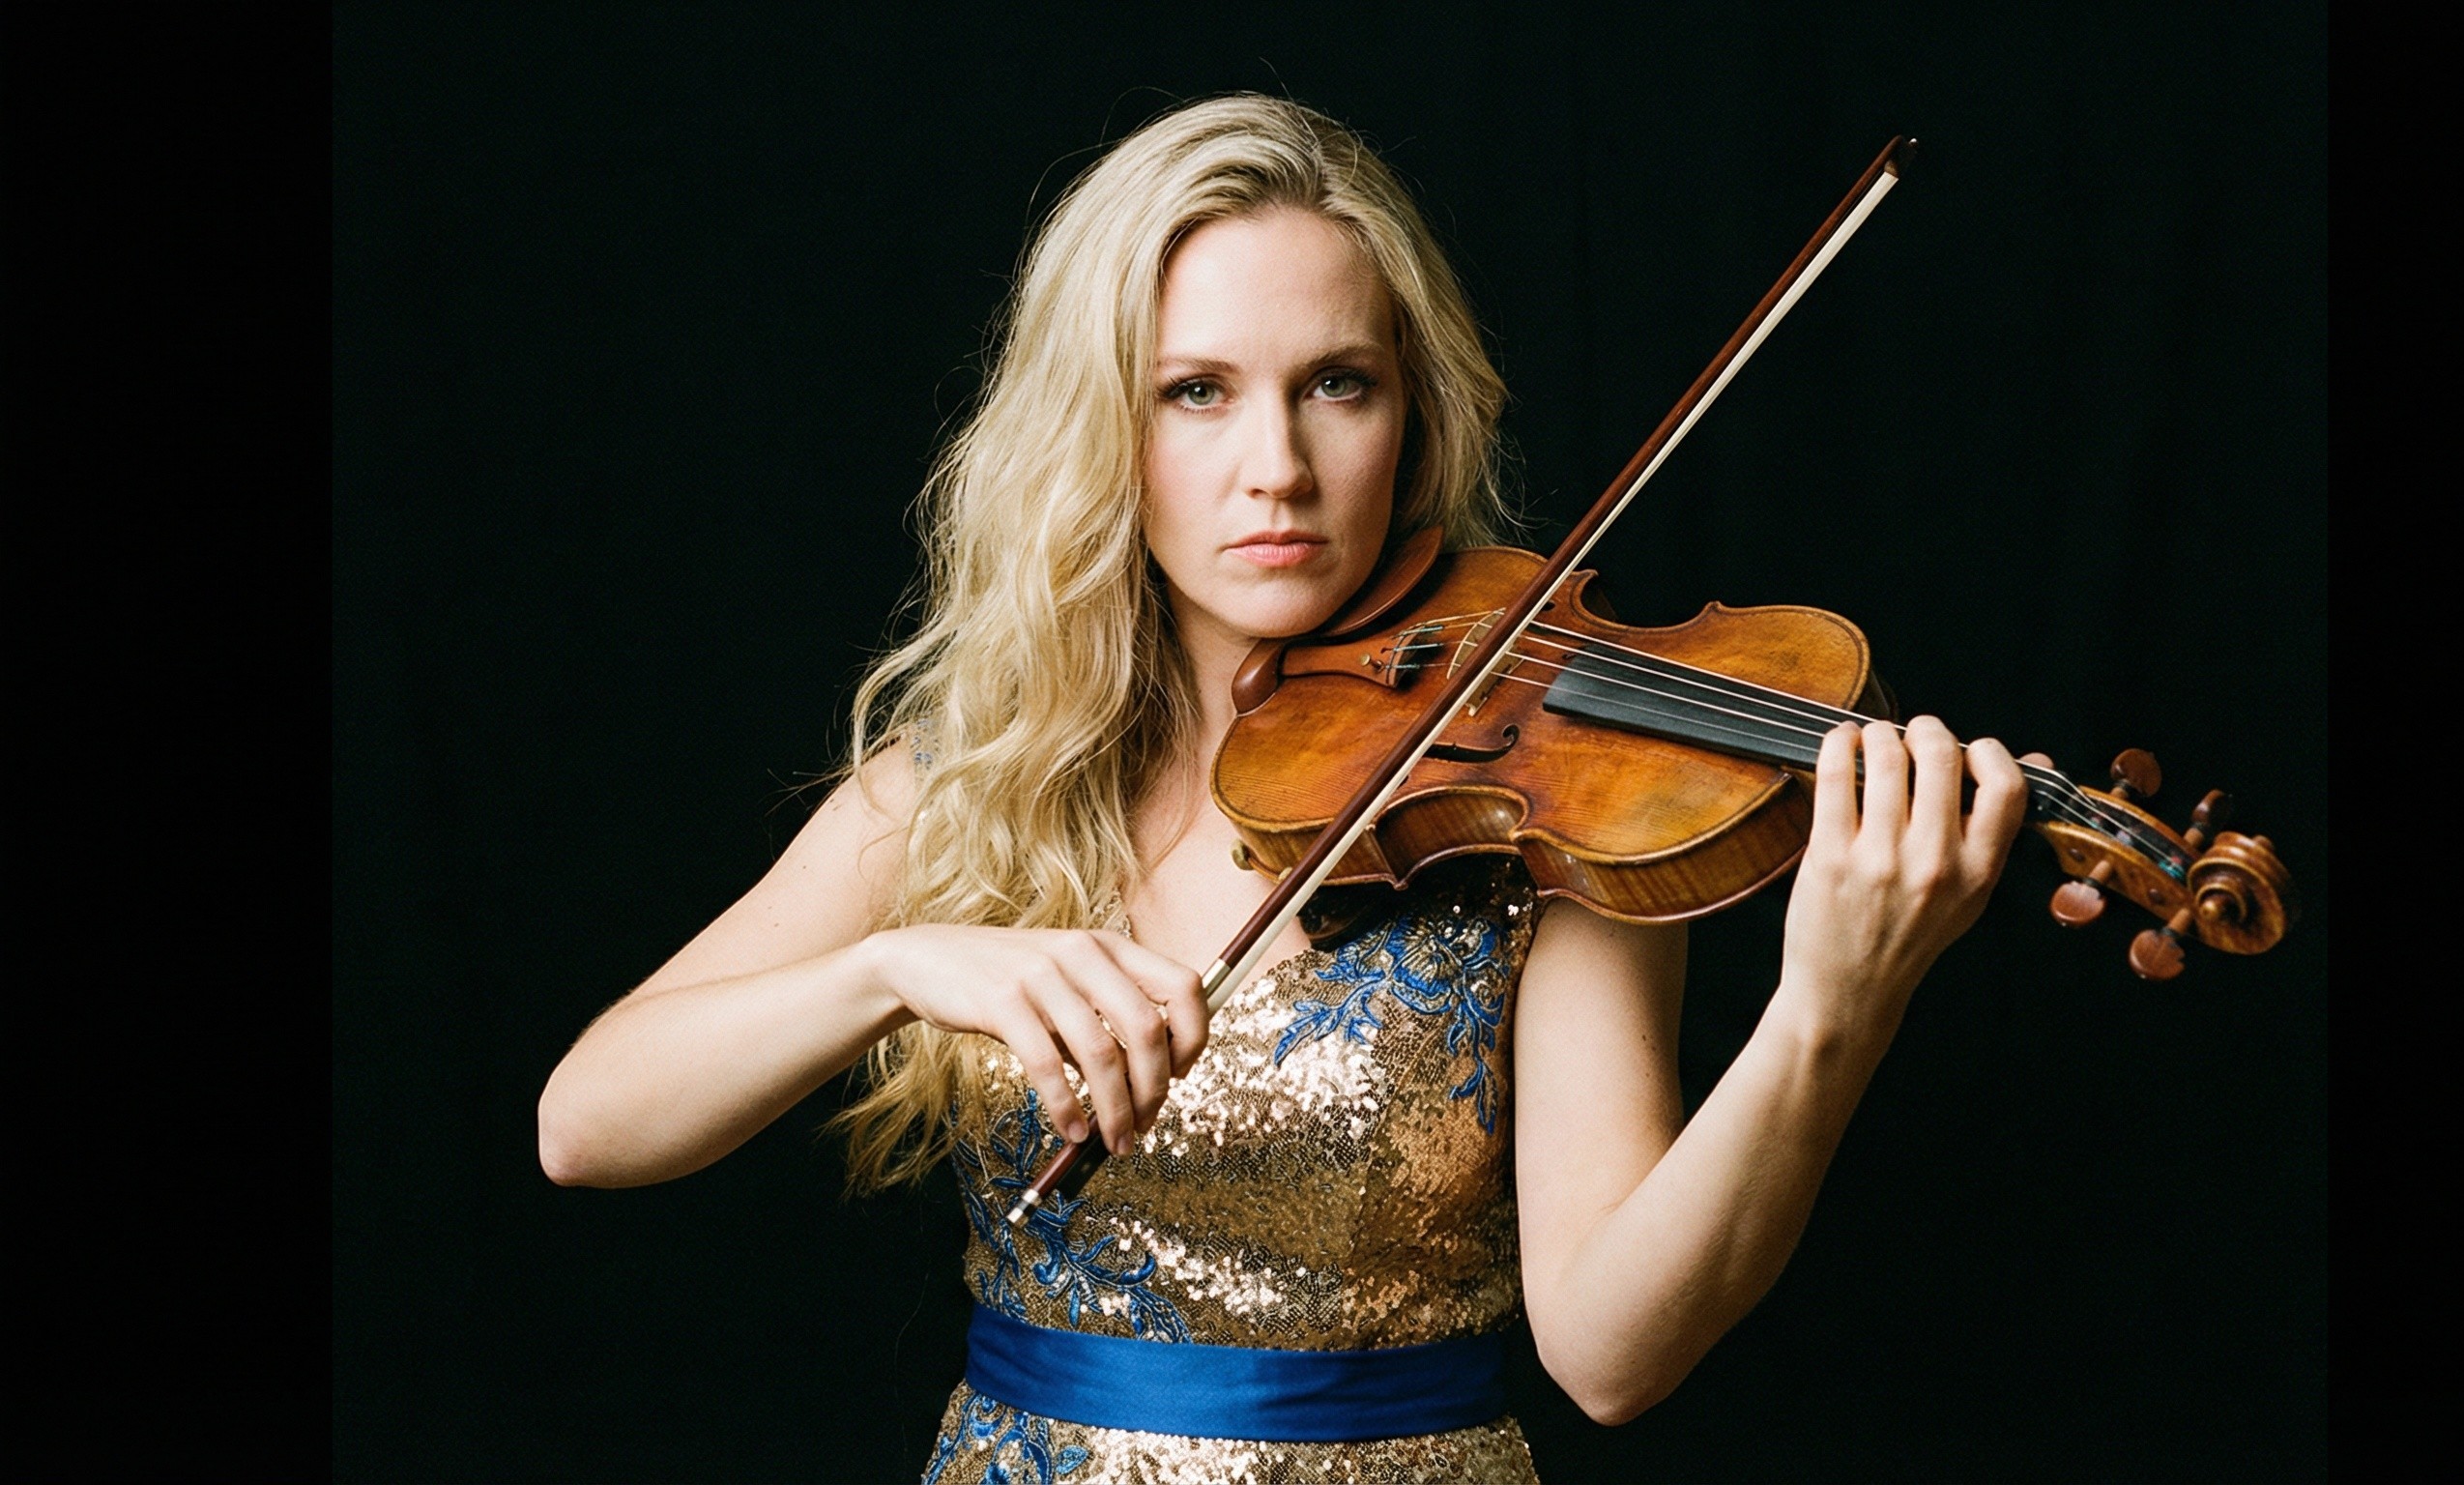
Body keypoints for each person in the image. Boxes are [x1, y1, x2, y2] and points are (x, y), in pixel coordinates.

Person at [538, 94, 2034, 1483]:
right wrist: (889, 964)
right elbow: (586, 1125)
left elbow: (1611, 1358)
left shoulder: (1560, 805)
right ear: (1099, 431)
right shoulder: (968, 786)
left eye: (1339, 385)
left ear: (1415, 414)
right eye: (1196, 391)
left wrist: (1833, 1011)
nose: (1279, 467)